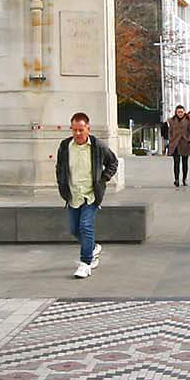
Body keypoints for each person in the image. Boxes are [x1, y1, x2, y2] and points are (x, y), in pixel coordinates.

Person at [53, 111, 119, 279]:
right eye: (74, 130)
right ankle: (93, 247)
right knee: (74, 229)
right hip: (73, 194)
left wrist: (103, 179)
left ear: (88, 129)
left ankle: (85, 263)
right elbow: (60, 167)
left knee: (85, 226)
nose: (77, 134)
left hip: (91, 195)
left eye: (81, 130)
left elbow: (113, 162)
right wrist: (61, 182)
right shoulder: (65, 146)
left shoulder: (98, 146)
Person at [166, 106, 190, 187]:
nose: (180, 113)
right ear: (176, 112)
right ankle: (176, 179)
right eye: (178, 112)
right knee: (176, 162)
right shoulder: (172, 120)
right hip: (175, 143)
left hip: (184, 143)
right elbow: (170, 131)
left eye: (181, 112)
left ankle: (184, 179)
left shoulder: (188, 120)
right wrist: (171, 139)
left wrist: (188, 139)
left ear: (184, 112)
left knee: (185, 163)